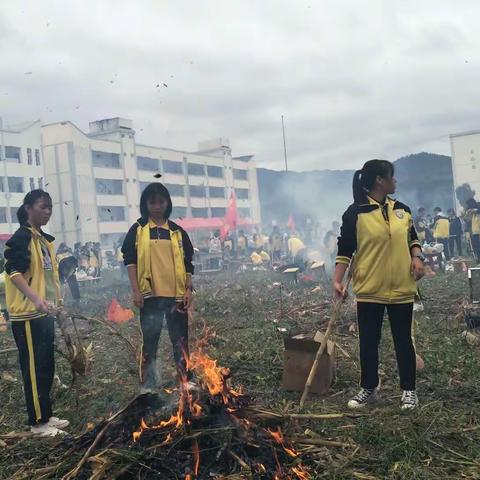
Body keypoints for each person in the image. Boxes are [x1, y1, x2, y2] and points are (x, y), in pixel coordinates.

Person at [333, 159, 425, 410]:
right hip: (370, 288)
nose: (395, 181)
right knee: (369, 341)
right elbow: (345, 249)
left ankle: (408, 390)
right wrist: (337, 280)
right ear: (379, 181)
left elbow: (412, 238)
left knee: (404, 340)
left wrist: (417, 257)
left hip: (402, 288)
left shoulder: (402, 210)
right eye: (392, 177)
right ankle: (368, 387)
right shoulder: (355, 213)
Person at [4, 190, 69, 437]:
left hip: (45, 314)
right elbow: (13, 272)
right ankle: (37, 423)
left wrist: (57, 305)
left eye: (50, 207)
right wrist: (35, 299)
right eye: (43, 206)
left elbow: (50, 280)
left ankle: (47, 414)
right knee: (32, 368)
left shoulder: (43, 240)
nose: (48, 211)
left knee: (46, 366)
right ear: (28, 208)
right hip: (28, 315)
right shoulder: (21, 238)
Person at [121, 182, 195, 394]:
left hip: (177, 296)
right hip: (150, 296)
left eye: (161, 201)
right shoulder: (138, 230)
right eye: (152, 202)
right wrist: (136, 290)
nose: (157, 206)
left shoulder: (177, 231)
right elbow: (130, 261)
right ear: (145, 204)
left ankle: (185, 379)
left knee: (180, 340)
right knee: (150, 341)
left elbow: (188, 263)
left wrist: (189, 290)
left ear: (167, 203)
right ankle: (148, 385)